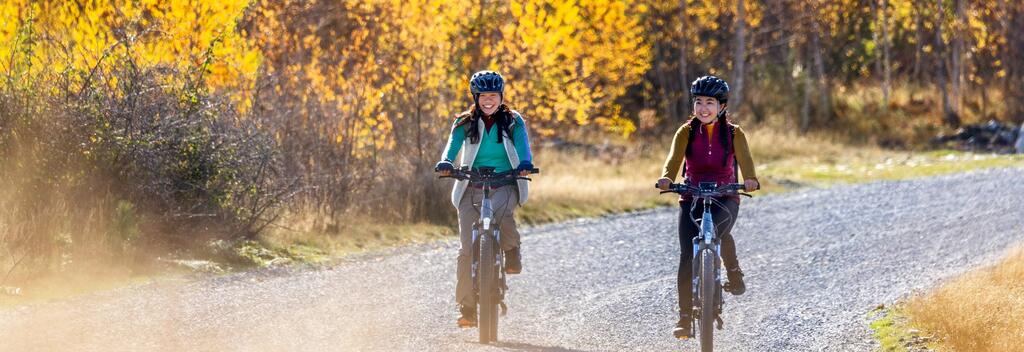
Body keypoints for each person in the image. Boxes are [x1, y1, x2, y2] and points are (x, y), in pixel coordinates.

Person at [656, 75, 760, 339]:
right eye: (699, 102)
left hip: (725, 194)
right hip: (691, 193)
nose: (703, 108)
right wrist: (667, 178)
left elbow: (746, 161)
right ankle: (684, 317)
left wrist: (749, 179)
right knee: (686, 255)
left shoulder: (735, 133)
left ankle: (733, 273)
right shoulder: (686, 131)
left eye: (710, 103)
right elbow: (673, 159)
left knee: (720, 233)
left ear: (721, 106)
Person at [435, 70, 535, 328]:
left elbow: (523, 144)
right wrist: (447, 161)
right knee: (466, 249)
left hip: (505, 180)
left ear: (501, 96)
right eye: (483, 96)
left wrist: (525, 163)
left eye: (493, 95)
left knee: (503, 214)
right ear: (475, 97)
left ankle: (511, 249)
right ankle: (467, 307)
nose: (488, 101)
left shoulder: (513, 120)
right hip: (471, 183)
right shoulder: (464, 122)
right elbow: (452, 145)